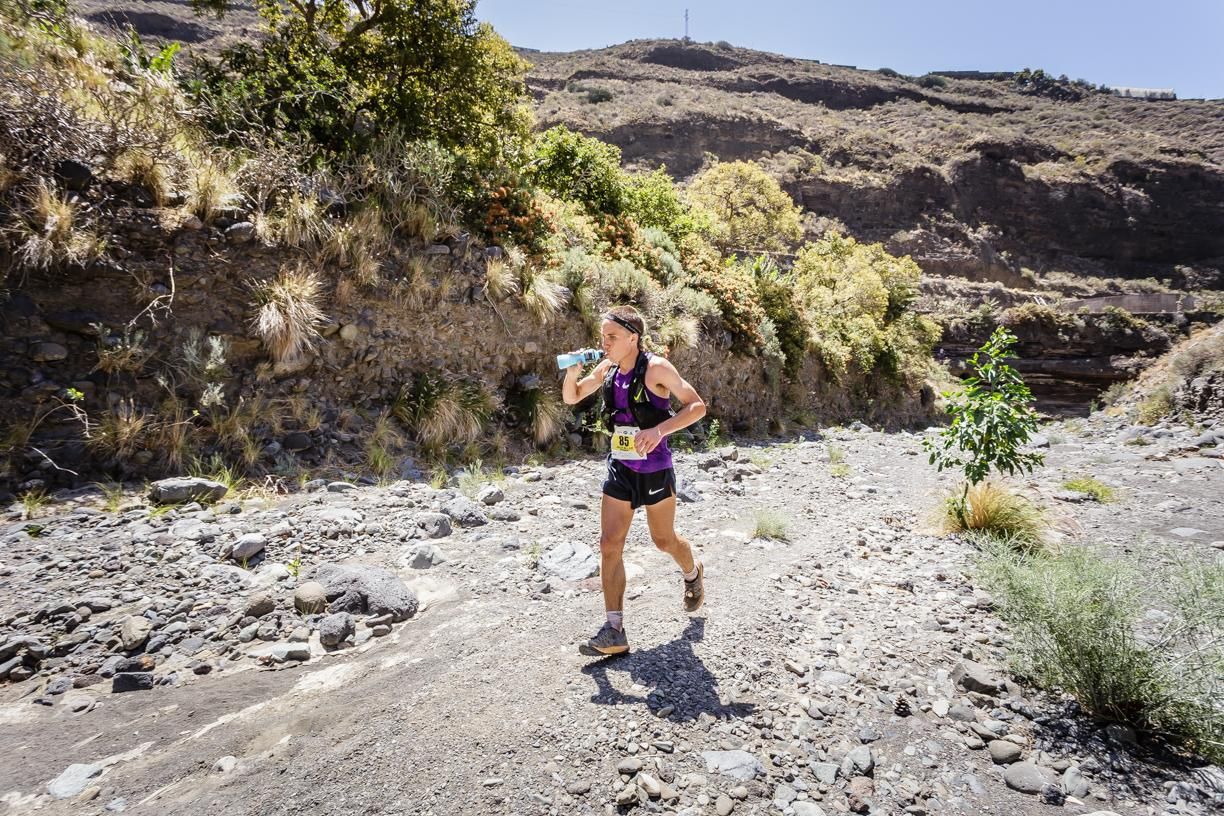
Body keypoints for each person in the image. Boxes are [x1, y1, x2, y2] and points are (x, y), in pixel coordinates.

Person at [561, 305, 707, 656]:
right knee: (609, 544)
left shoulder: (657, 367)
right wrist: (572, 371)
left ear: (632, 337)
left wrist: (659, 430)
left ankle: (692, 571)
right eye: (602, 336)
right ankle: (614, 631)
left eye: (611, 336)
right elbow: (572, 395)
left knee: (663, 540)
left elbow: (696, 406)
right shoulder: (608, 366)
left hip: (654, 468)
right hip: (620, 467)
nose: (604, 342)